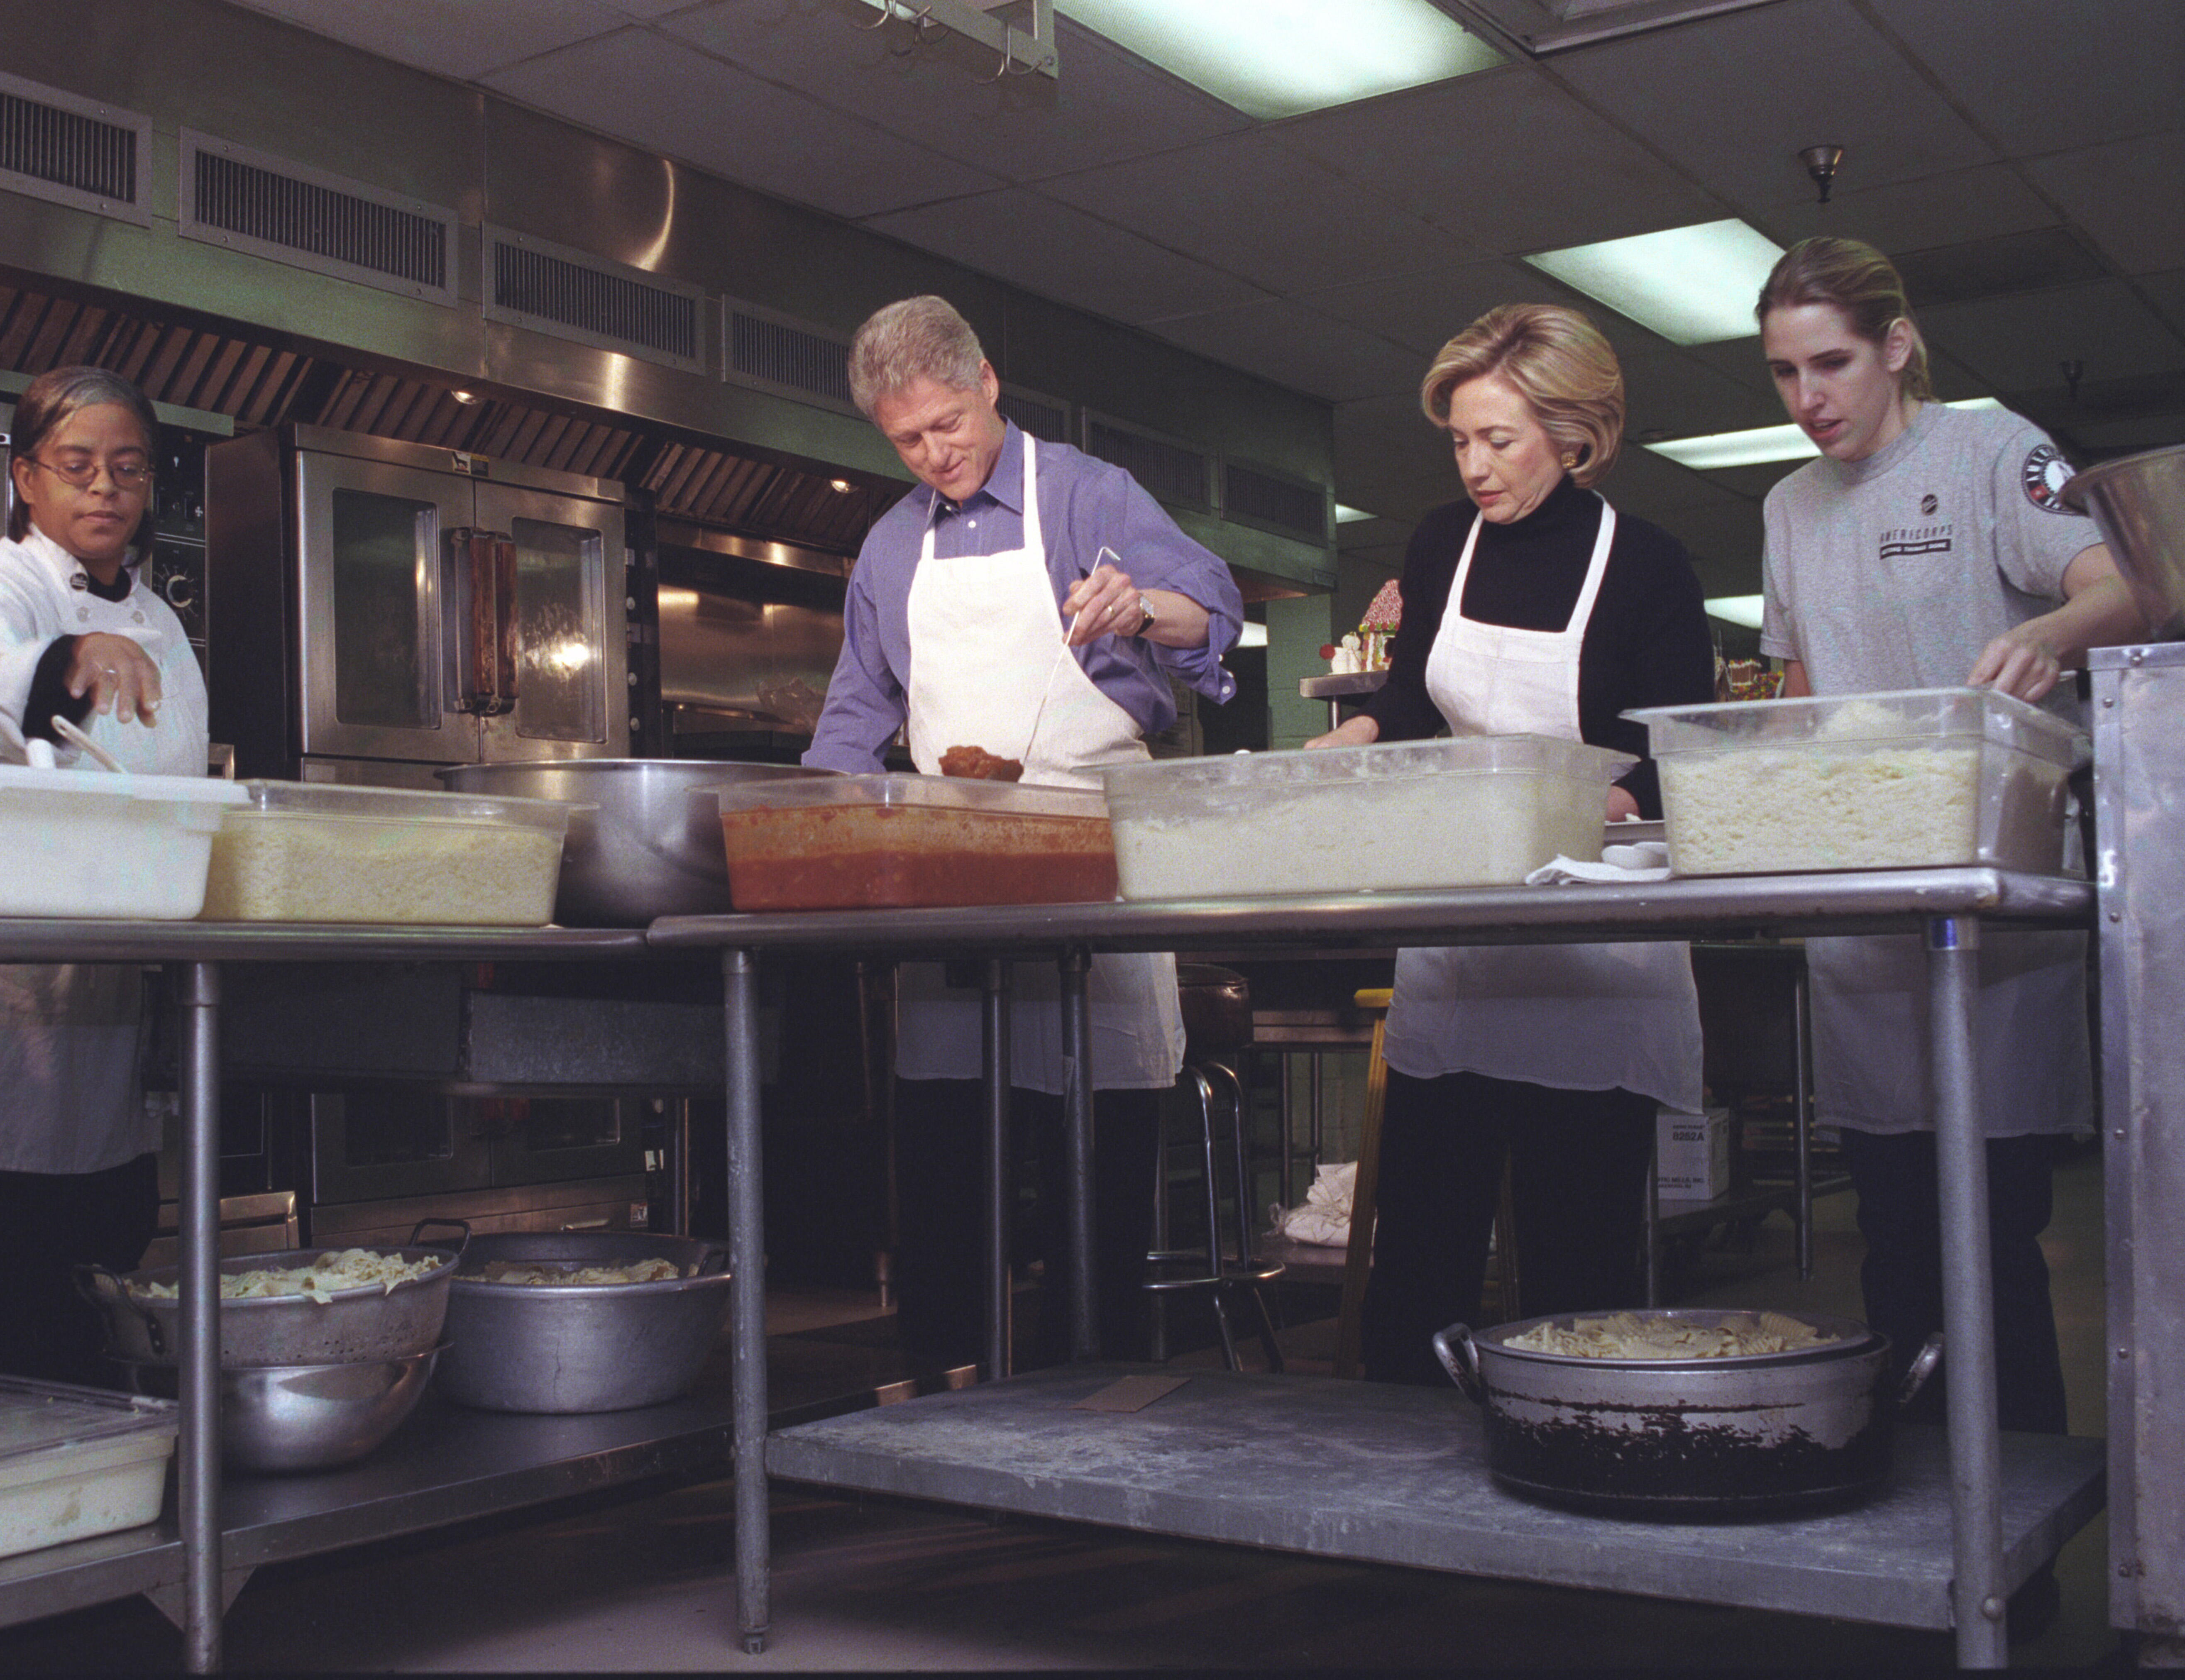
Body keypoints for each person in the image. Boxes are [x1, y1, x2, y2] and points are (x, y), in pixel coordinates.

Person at [1752, 236, 2145, 1442]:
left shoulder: (1990, 451)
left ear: (1898, 348)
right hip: (1867, 889)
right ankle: (1916, 1505)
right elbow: (1802, 687)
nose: (1809, 398)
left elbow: (2129, 583)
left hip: (1991, 877)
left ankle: (2013, 1517)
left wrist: (2055, 637)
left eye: (1832, 364)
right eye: (1782, 373)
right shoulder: (1787, 506)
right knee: (1893, 1219)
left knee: (1993, 1222)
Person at [804, 295, 1244, 1367]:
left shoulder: (1093, 496)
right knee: (952, 1172)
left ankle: (1093, 1417)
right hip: (951, 881)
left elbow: (1211, 608)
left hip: (1093, 857)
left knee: (1094, 1183)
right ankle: (951, 1410)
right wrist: (816, 840)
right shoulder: (890, 547)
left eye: (947, 424)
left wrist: (1140, 605)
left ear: (988, 381)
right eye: (907, 441)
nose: (934, 455)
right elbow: (855, 721)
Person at [1305, 304, 1716, 1383]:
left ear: (1574, 435)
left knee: (1575, 1272)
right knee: (1424, 1255)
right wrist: (1343, 742)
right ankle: (1406, 1489)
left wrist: (1586, 804)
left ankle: (1573, 1485)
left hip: (1595, 957)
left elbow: (1677, 764)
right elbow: (1407, 700)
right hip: (1466, 944)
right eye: (1459, 441)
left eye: (1500, 440)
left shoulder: (1650, 566)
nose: (1475, 466)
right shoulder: (1446, 542)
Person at [0, 365, 210, 1387]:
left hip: (108, 1044)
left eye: (127, 468)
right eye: (76, 466)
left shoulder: (167, 629)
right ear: (27, 477)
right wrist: (66, 656)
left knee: (89, 1342)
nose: (104, 489)